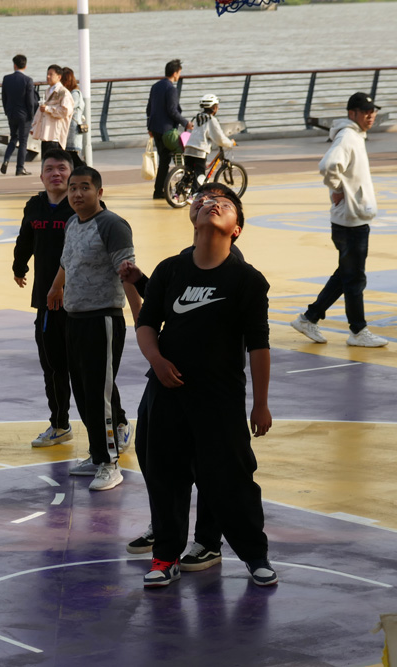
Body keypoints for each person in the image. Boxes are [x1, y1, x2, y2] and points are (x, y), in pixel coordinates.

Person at [135, 186, 277, 589]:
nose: (213, 204)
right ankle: (165, 557)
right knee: (165, 476)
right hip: (167, 394)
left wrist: (261, 404)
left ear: (237, 229)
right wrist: (157, 361)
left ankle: (255, 555)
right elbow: (146, 324)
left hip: (220, 398)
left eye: (225, 204)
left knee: (232, 479)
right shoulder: (169, 269)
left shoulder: (247, 280)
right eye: (207, 201)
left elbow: (259, 345)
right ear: (193, 218)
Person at [120, 181, 244, 564]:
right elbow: (172, 306)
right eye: (201, 198)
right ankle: (165, 525)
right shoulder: (179, 261)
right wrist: (140, 283)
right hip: (167, 377)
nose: (205, 202)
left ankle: (208, 540)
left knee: (207, 464)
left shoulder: (230, 264)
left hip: (207, 384)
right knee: (154, 454)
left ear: (234, 223)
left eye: (218, 200)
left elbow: (205, 314)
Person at [47, 166, 139, 491]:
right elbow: (66, 261)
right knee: (84, 393)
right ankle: (98, 454)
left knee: (99, 396)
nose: (76, 194)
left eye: (84, 187)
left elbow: (127, 273)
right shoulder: (73, 223)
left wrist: (142, 319)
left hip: (103, 320)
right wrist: (56, 287)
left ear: (99, 192)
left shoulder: (112, 225)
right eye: (72, 188)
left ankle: (110, 463)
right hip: (75, 319)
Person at [291, 92, 387, 348]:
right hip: (350, 222)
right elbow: (328, 165)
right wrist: (336, 189)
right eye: (365, 111)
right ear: (351, 113)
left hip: (353, 219)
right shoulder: (348, 136)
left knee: (346, 274)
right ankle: (358, 330)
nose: (370, 115)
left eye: (372, 111)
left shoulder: (355, 135)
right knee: (354, 279)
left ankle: (309, 318)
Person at [12, 149, 76, 448]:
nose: (56, 174)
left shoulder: (82, 206)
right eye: (49, 169)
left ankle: (115, 422)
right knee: (52, 367)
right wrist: (19, 266)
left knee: (88, 369)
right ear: (41, 176)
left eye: (62, 168)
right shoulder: (34, 206)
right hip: (47, 302)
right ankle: (60, 424)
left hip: (81, 303)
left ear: (71, 174)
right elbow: (25, 239)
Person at [146, 59, 192, 200]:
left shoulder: (155, 86)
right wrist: (186, 123)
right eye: (179, 73)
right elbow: (172, 111)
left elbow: (149, 108)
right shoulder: (171, 89)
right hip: (167, 131)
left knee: (164, 161)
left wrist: (149, 127)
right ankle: (181, 185)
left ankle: (159, 190)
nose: (179, 75)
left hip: (155, 128)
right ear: (175, 73)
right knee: (183, 154)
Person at [183, 94, 234, 187]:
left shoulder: (197, 117)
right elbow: (220, 138)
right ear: (214, 108)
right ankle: (195, 194)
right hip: (199, 150)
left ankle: (178, 192)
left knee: (188, 174)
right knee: (200, 175)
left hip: (188, 148)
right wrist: (230, 143)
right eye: (217, 106)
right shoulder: (211, 120)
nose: (218, 108)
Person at [1, 54, 38, 176]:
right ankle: (19, 168)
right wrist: (31, 116)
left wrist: (7, 111)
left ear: (14, 65)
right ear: (25, 66)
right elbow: (30, 101)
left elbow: (4, 97)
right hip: (24, 115)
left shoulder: (6, 79)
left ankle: (6, 160)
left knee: (13, 138)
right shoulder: (28, 80)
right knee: (23, 141)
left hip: (11, 114)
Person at [30, 64, 73, 158]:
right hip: (46, 134)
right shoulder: (48, 91)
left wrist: (48, 109)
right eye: (47, 74)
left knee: (54, 161)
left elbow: (66, 111)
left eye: (51, 74)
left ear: (59, 77)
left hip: (55, 136)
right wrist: (34, 127)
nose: (48, 76)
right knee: (46, 161)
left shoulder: (63, 92)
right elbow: (41, 110)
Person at [63, 68, 86, 168]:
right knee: (71, 155)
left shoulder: (74, 94)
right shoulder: (73, 92)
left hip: (73, 129)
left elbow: (67, 108)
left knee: (72, 154)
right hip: (71, 128)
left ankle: (83, 169)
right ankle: (81, 169)